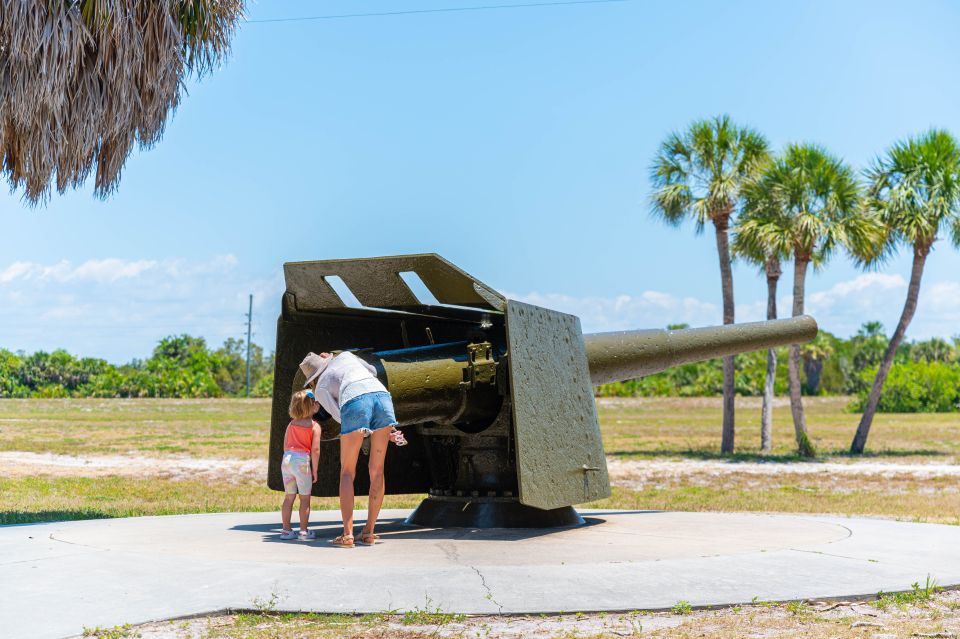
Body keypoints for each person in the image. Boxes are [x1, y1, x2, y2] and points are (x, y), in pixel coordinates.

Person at [300, 351, 403, 548]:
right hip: (382, 396)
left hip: (354, 400)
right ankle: (369, 532)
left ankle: (347, 535)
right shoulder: (346, 355)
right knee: (377, 470)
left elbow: (341, 416)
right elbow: (372, 370)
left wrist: (362, 428)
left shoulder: (320, 388)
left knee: (347, 472)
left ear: (312, 379)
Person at [279, 389, 322, 541]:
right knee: (304, 499)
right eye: (315, 402)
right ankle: (303, 532)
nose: (317, 404)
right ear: (311, 407)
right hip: (302, 462)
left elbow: (285, 445)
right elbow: (315, 450)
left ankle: (286, 530)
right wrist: (314, 469)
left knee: (289, 497)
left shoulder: (291, 424)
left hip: (287, 460)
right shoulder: (314, 426)